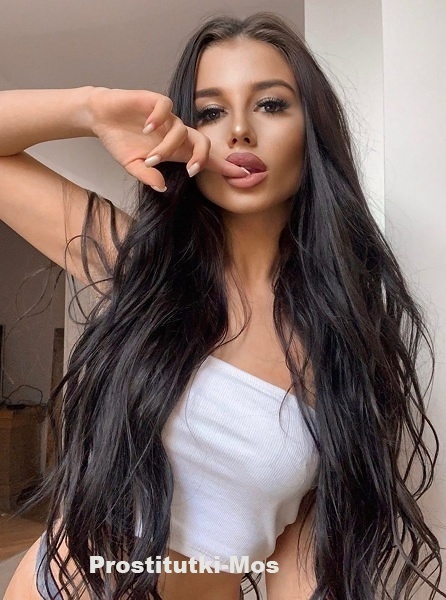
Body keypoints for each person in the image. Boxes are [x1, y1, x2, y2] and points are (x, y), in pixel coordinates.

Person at [1, 11, 444, 600]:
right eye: (210, 112)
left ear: (313, 130)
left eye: (270, 104)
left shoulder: (343, 339)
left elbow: (299, 560)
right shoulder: (140, 268)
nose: (238, 131)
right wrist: (91, 108)